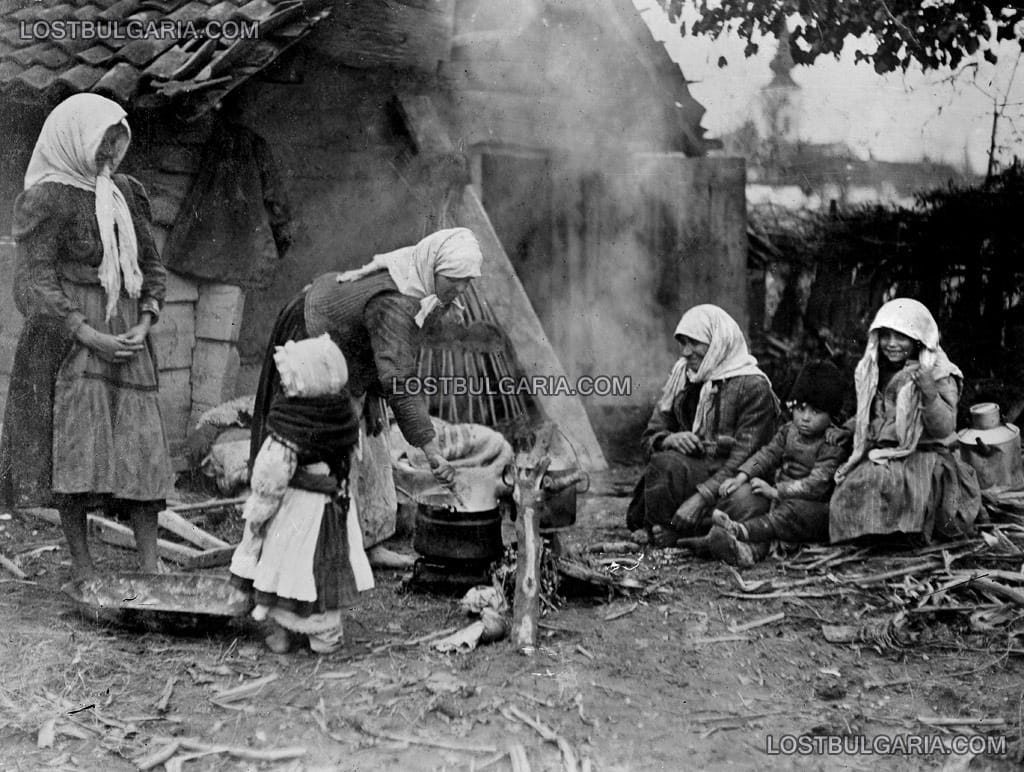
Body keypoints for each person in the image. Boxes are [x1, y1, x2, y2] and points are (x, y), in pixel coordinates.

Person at [0, 94, 173, 581]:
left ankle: (149, 568)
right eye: (102, 144)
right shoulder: (48, 199)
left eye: (117, 146)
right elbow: (34, 280)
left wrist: (145, 320)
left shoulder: (126, 193)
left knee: (141, 447)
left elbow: (152, 266)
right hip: (68, 338)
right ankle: (83, 567)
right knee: (74, 450)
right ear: (76, 139)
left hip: (126, 334)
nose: (109, 157)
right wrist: (87, 333)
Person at [249, 227, 483, 564]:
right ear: (435, 267)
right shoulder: (396, 302)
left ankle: (368, 542)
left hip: (356, 353)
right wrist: (433, 453)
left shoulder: (419, 273)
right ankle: (305, 545)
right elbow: (400, 384)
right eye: (455, 279)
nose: (461, 288)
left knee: (372, 440)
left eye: (467, 281)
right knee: (321, 447)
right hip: (314, 338)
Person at [231, 335, 372, 654]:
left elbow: (270, 477)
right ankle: (323, 636)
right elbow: (350, 465)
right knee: (322, 570)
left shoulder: (288, 431)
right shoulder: (344, 422)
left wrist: (258, 513)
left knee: (285, 566)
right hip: (332, 510)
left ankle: (283, 633)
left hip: (293, 511)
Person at [828, 298, 981, 543]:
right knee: (853, 485)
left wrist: (930, 394)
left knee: (897, 488)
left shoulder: (938, 373)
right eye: (885, 336)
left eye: (901, 337)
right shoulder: (879, 368)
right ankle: (870, 535)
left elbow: (944, 427)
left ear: (919, 338)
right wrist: (850, 429)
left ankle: (900, 536)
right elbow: (875, 411)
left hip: (924, 453)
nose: (891, 344)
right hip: (888, 451)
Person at [626, 304, 779, 547]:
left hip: (736, 478)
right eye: (682, 342)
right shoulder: (683, 377)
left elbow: (744, 457)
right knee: (664, 464)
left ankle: (683, 532)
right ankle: (672, 528)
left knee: (748, 501)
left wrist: (701, 498)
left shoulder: (753, 386)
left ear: (718, 342)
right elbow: (649, 437)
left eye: (695, 343)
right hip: (695, 472)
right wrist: (668, 439)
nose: (686, 352)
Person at [704, 360, 852, 567]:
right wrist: (741, 477)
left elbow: (817, 485)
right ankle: (745, 551)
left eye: (816, 412)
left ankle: (738, 530)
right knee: (756, 502)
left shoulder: (831, 443)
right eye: (801, 408)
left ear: (832, 415)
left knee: (787, 513)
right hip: (782, 500)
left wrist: (775, 492)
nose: (806, 418)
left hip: (812, 509)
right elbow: (766, 455)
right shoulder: (788, 431)